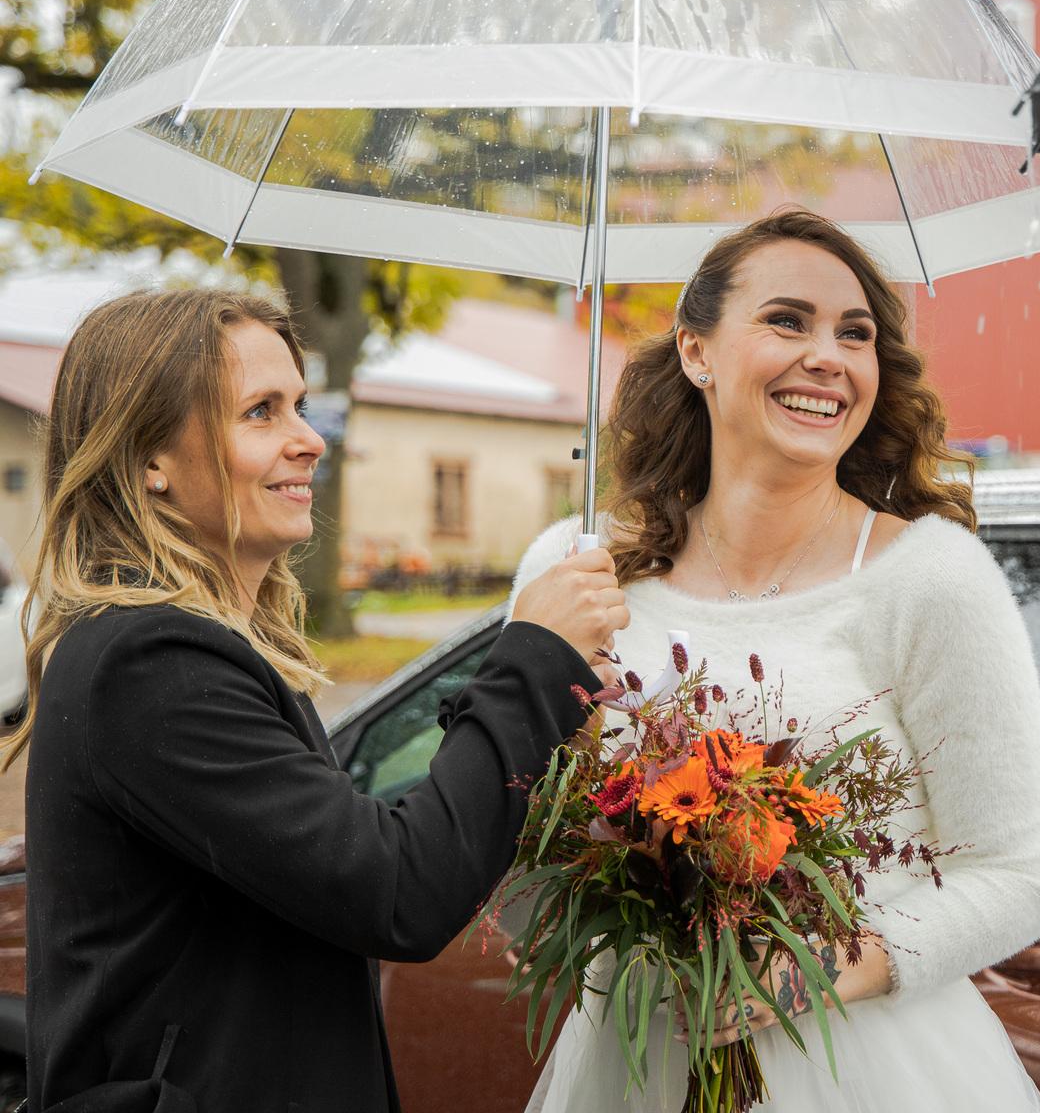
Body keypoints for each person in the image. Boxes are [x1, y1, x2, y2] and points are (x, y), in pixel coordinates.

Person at [20, 288, 630, 1112]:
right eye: (261, 413)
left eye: (300, 407)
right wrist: (531, 655)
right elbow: (397, 891)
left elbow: (351, 855)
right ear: (147, 460)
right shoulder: (151, 660)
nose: (309, 441)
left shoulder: (207, 647)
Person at [520, 208, 1040, 1112]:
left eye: (855, 335)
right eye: (787, 321)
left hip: (869, 1068)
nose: (829, 357)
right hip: (635, 1061)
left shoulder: (929, 579)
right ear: (697, 352)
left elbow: (1015, 876)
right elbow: (521, 841)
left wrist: (819, 966)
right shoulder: (575, 577)